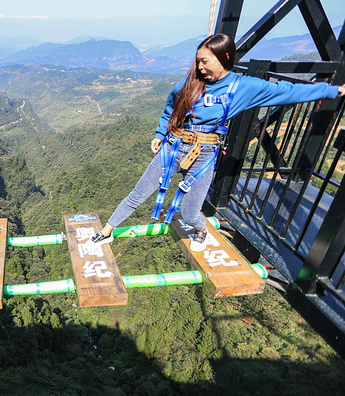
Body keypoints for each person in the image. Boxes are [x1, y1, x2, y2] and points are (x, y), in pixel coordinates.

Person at [91, 33, 345, 252]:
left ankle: (201, 230)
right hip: (174, 146)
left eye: (205, 61)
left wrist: (333, 91)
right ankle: (107, 231)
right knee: (139, 193)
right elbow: (171, 107)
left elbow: (287, 92)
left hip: (204, 153)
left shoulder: (242, 88)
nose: (199, 67)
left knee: (190, 214)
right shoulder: (191, 83)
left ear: (225, 59)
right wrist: (160, 134)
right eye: (198, 61)